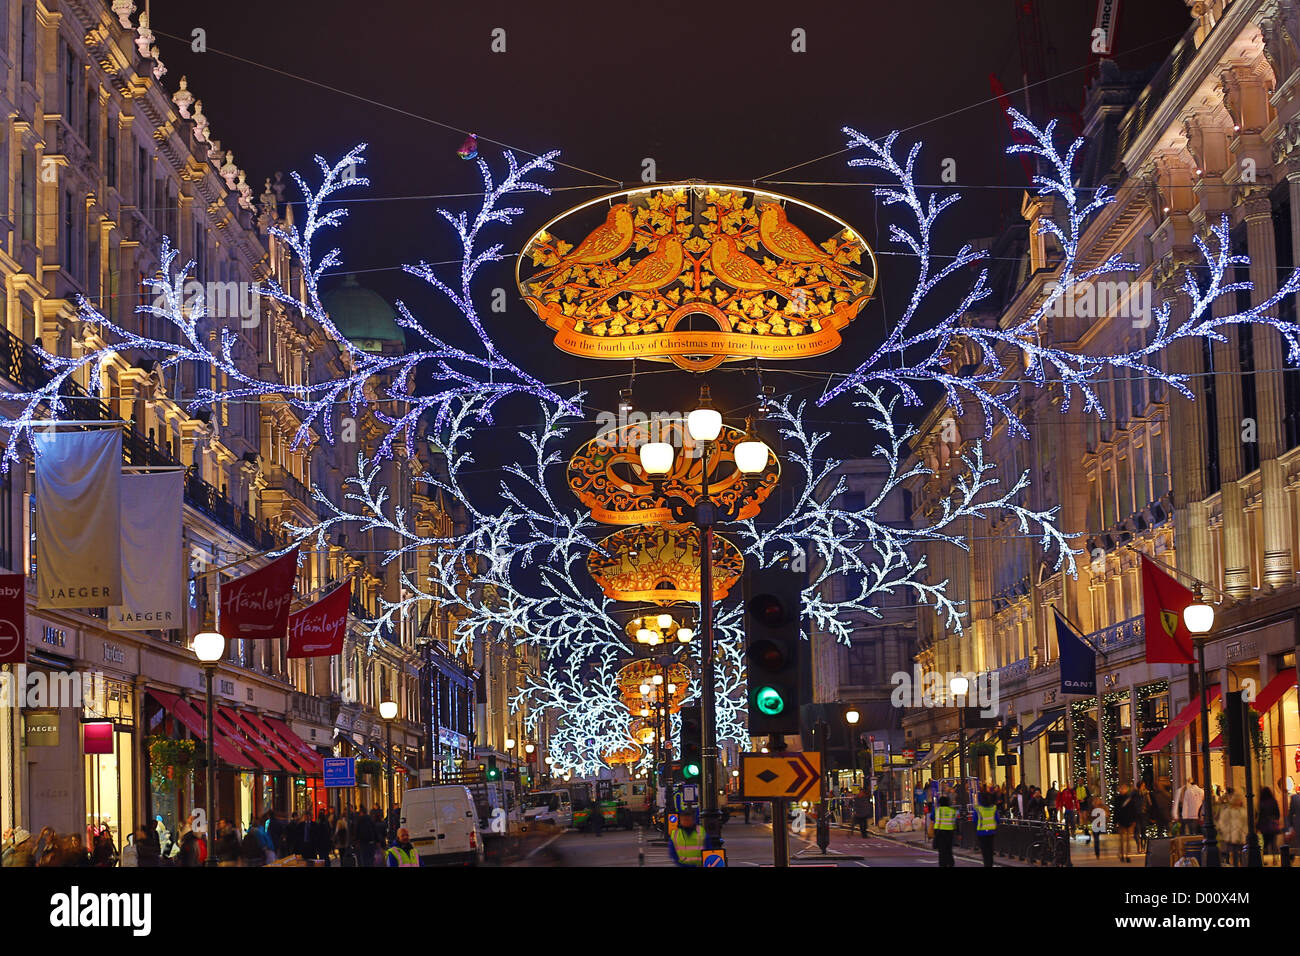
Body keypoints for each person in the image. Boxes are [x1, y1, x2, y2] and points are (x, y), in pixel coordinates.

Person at [1115, 783, 1139, 863]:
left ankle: (1127, 855)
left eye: (1124, 789)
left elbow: (1134, 810)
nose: (1122, 790)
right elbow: (1116, 811)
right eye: (1121, 789)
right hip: (1122, 821)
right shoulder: (1118, 799)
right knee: (1122, 840)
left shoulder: (1129, 799)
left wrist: (1134, 820)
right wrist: (1115, 821)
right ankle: (1122, 854)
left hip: (1128, 821)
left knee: (1128, 840)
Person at [974, 789, 998, 867]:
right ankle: (990, 864)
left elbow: (974, 820)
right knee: (990, 851)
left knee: (985, 852)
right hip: (991, 832)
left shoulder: (978, 809)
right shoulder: (993, 808)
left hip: (981, 833)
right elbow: (998, 820)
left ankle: (986, 864)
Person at [1258, 787, 1282, 859]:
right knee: (1273, 842)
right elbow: (1277, 813)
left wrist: (1258, 825)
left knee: (1265, 842)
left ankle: (1263, 858)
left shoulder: (1262, 803)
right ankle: (1275, 858)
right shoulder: (1273, 801)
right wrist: (1275, 819)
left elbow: (1260, 815)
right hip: (1272, 824)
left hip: (1264, 825)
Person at [933, 795, 957, 867]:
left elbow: (935, 820)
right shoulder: (952, 811)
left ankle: (943, 864)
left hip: (940, 832)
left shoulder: (938, 810)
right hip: (950, 832)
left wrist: (935, 832)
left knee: (942, 851)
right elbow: (954, 822)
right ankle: (950, 863)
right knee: (949, 849)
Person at [1088, 795, 1107, 860]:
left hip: (1101, 825)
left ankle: (1100, 852)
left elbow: (1107, 815)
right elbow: (1089, 816)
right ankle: (1097, 853)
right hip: (1095, 826)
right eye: (1096, 800)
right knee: (1096, 840)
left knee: (1099, 840)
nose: (1097, 801)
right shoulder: (1092, 808)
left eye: (1098, 800)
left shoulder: (1103, 807)